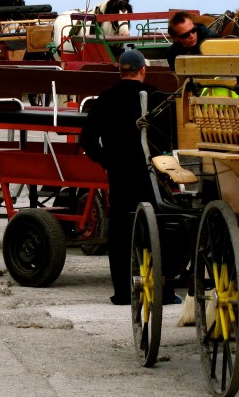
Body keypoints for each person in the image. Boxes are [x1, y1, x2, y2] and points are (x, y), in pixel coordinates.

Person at [81, 49, 170, 305]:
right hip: (151, 173)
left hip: (119, 173)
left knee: (120, 230)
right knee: (157, 227)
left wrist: (106, 160)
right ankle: (160, 290)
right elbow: (168, 137)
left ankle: (122, 292)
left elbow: (87, 139)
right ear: (143, 69)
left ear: (120, 70)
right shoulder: (156, 96)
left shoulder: (106, 98)